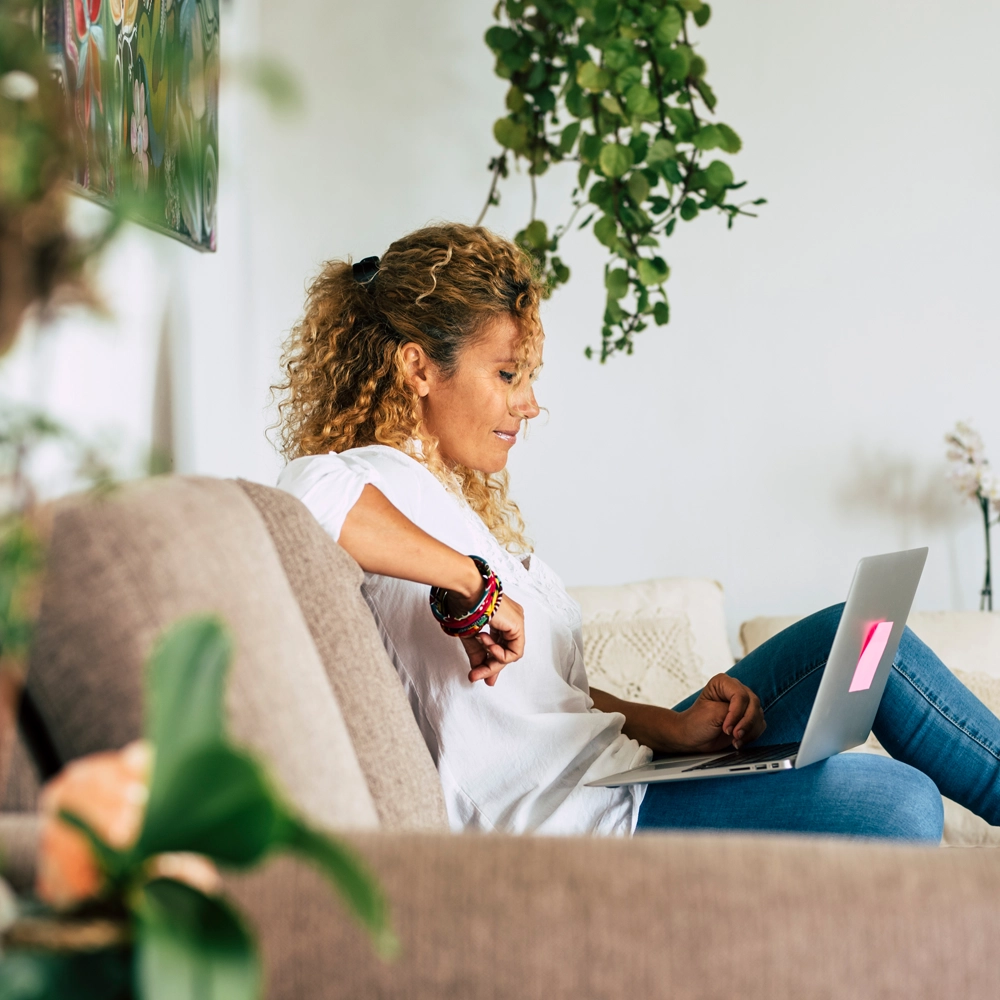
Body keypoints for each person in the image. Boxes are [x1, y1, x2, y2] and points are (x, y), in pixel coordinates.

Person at [274, 223, 1000, 841]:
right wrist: (474, 585)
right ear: (417, 367)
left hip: (609, 768)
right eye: (506, 373)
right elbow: (308, 496)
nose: (528, 404)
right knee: (900, 804)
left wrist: (673, 729)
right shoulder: (370, 476)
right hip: (570, 814)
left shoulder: (450, 503)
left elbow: (548, 703)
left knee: (872, 635)